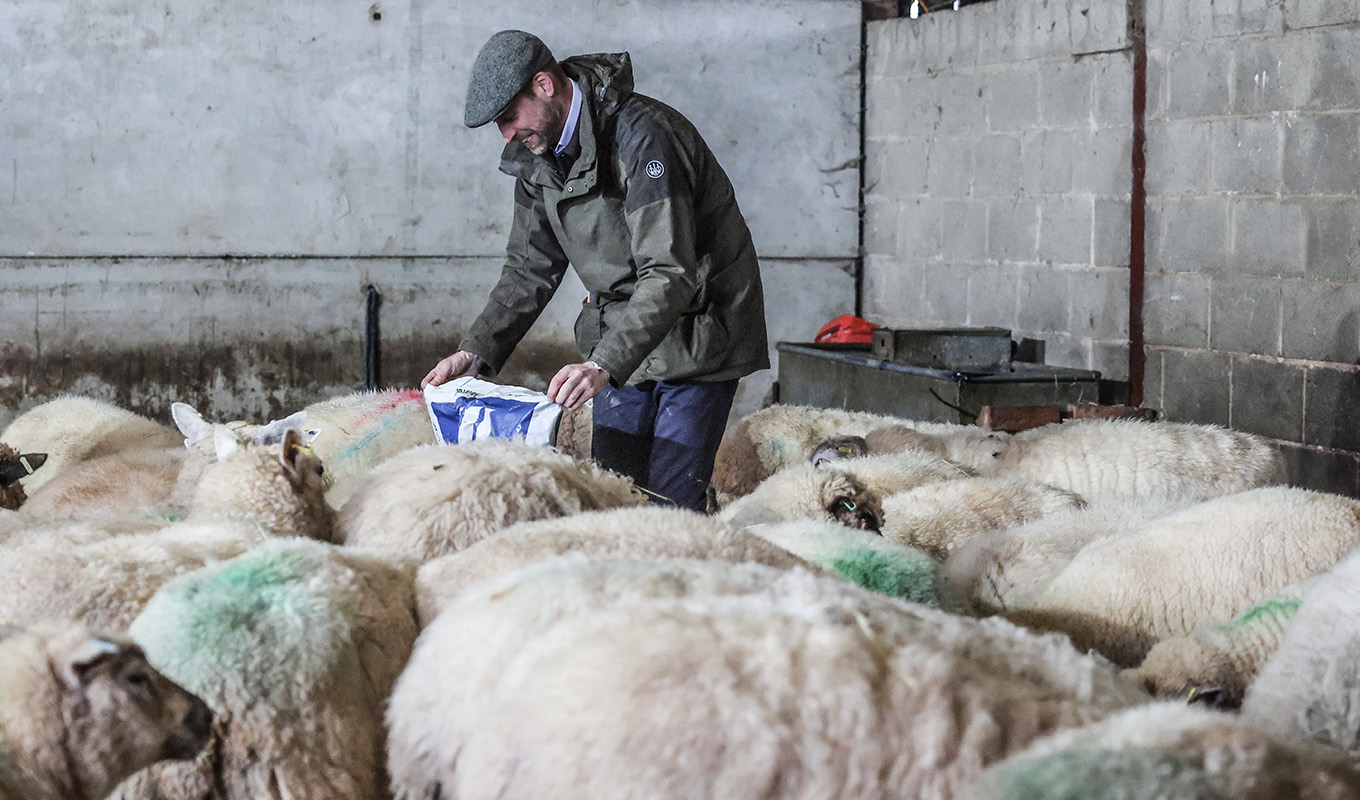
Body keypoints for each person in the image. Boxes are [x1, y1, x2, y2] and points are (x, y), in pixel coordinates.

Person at [422, 29, 768, 513]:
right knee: (613, 496)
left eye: (508, 117)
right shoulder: (535, 160)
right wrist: (477, 352)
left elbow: (669, 271)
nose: (506, 135)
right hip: (622, 339)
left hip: (698, 333)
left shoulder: (644, 137)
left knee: (669, 502)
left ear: (544, 85)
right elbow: (529, 268)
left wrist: (602, 364)